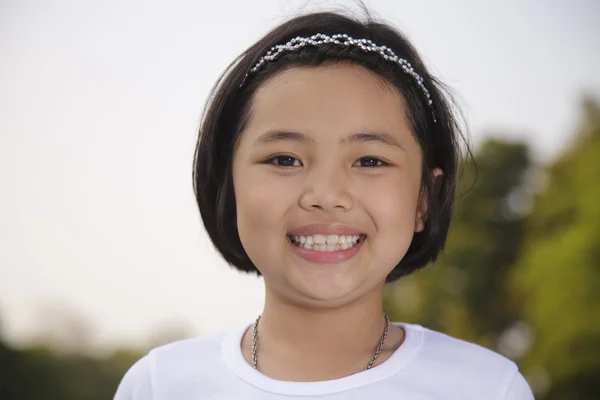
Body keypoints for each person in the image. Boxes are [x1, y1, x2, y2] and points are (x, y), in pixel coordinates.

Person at [114, 10, 535, 399]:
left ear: (424, 199)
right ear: (230, 185)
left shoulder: (487, 388)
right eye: (284, 159)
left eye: (370, 161)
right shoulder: (159, 385)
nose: (326, 195)